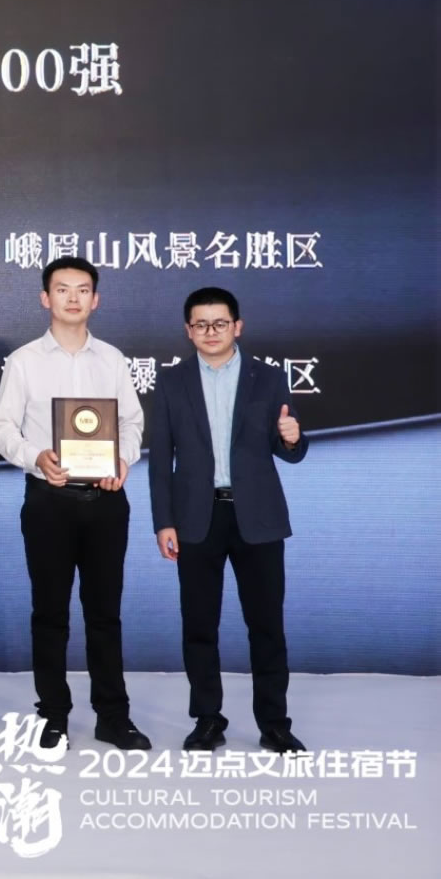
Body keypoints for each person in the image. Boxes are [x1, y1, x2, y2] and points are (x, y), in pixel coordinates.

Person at [0, 257, 150, 751]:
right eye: (62, 289)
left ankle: (113, 717)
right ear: (46, 298)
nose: (73, 298)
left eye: (82, 289)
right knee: (50, 613)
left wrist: (122, 459)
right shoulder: (24, 361)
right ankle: (53, 716)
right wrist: (36, 457)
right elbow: (1, 427)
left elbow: (132, 423)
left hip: (106, 501)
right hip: (48, 501)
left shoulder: (113, 360)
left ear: (95, 300)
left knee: (105, 614)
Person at [149, 287, 309, 754]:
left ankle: (274, 723)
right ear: (188, 330)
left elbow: (289, 450)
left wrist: (292, 438)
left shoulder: (269, 378)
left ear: (237, 326)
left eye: (220, 323)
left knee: (267, 625)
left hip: (257, 517)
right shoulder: (172, 381)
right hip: (196, 518)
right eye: (200, 324)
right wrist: (164, 521)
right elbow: (160, 460)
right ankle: (207, 719)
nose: (211, 331)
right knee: (199, 625)